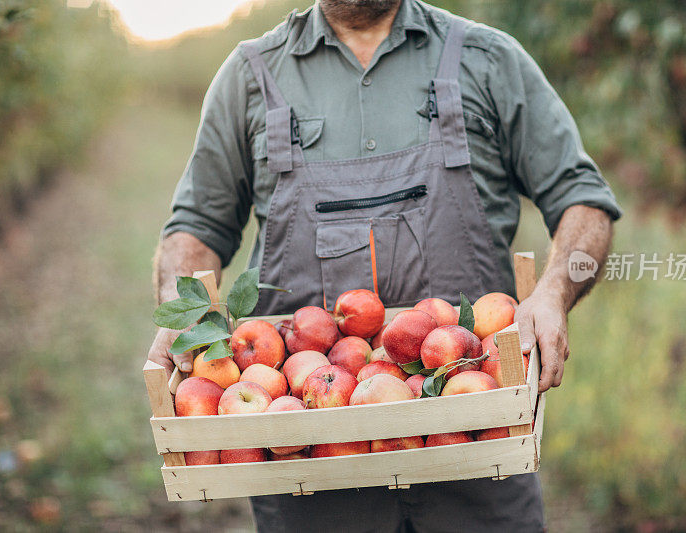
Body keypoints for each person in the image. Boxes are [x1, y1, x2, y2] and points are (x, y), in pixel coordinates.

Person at [148, 0, 621, 530]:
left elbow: (584, 200)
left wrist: (554, 292)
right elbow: (196, 227)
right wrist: (180, 306)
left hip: (476, 449)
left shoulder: (487, 61)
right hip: (308, 464)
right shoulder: (250, 76)